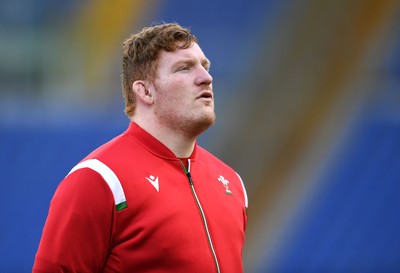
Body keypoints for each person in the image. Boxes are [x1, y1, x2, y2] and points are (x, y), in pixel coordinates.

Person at [33, 22, 248, 273]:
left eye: (205, 66)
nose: (206, 78)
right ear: (145, 90)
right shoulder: (100, 179)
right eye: (184, 69)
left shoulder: (232, 183)